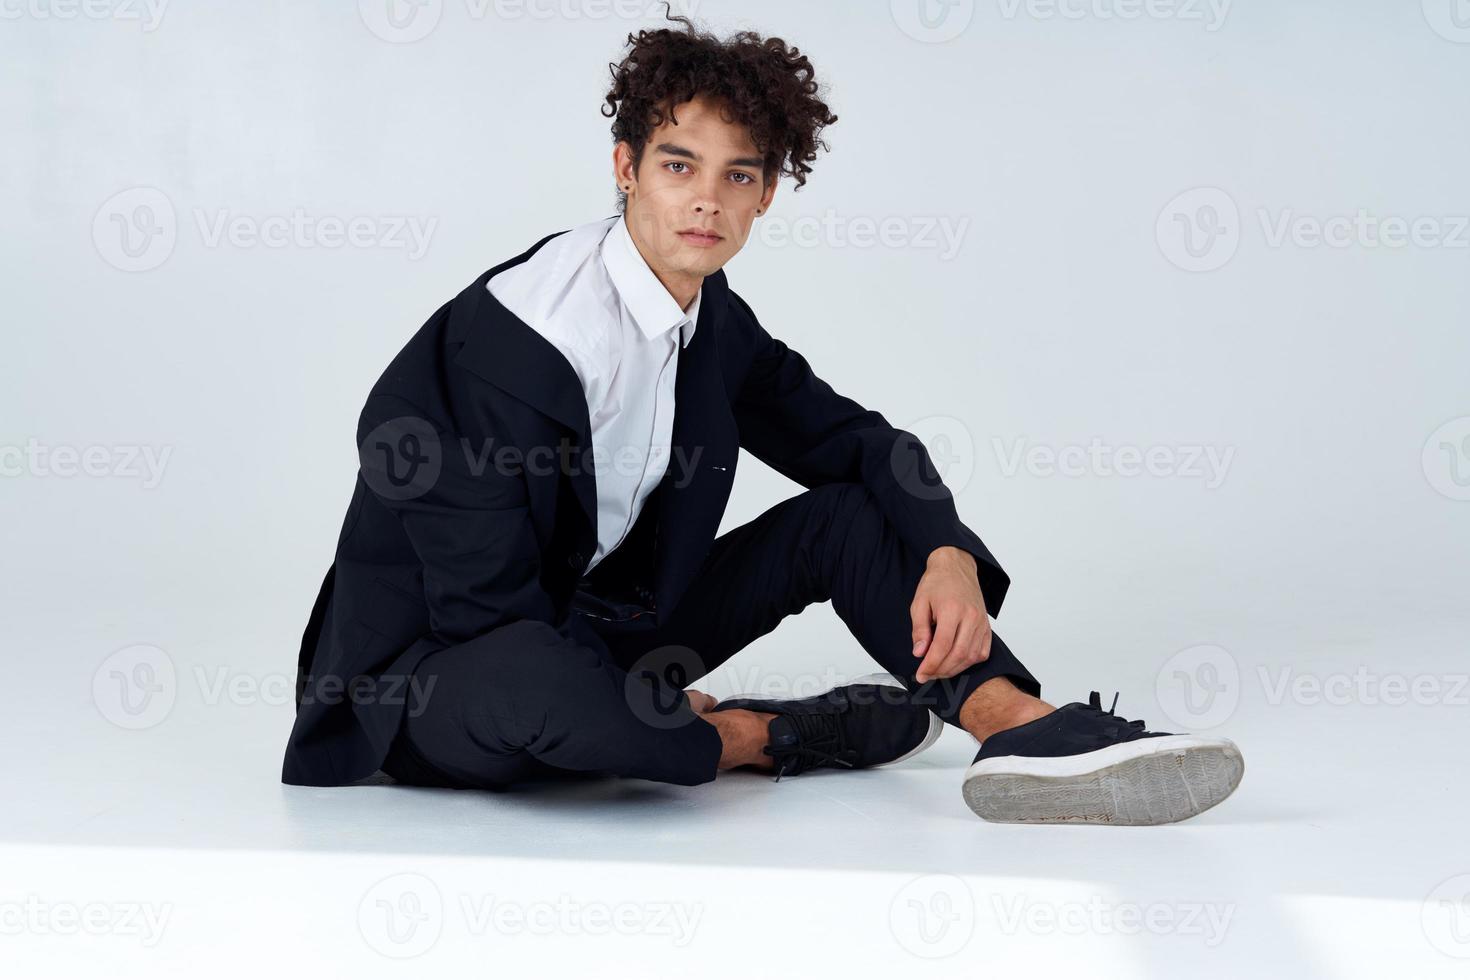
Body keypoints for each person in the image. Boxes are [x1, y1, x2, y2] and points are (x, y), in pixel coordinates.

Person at [281, 7, 1243, 825]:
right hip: (438, 673)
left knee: (854, 517)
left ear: (767, 194)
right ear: (626, 168)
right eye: (678, 165)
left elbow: (857, 442)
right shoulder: (519, 337)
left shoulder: (711, 319)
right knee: (561, 697)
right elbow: (487, 614)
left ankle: (1012, 726)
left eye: (738, 175)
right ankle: (764, 734)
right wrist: (629, 699)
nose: (707, 201)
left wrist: (946, 549)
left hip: (600, 628)